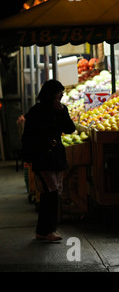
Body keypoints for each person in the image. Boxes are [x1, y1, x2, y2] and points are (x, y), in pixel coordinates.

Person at [22, 80, 76, 242]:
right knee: (50, 193)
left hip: (56, 157)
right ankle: (45, 230)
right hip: (42, 157)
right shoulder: (36, 111)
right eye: (60, 93)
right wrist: (30, 158)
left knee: (54, 192)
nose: (61, 96)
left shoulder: (61, 109)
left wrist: (62, 113)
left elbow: (70, 129)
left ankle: (47, 230)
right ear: (52, 93)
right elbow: (28, 137)